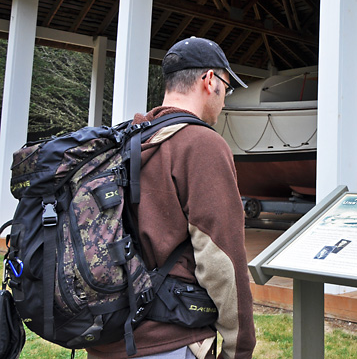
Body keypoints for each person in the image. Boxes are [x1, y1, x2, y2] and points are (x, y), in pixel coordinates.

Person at [88, 37, 256, 359]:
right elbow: (223, 261)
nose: (224, 99)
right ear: (210, 81)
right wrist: (240, 348)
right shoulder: (202, 144)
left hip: (106, 338)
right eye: (226, 87)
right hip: (167, 341)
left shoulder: (128, 138)